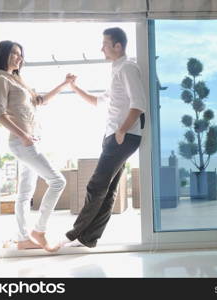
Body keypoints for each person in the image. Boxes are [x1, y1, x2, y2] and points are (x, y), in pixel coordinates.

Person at [62, 27, 146, 248]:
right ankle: (87, 238)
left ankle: (75, 235)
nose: (102, 48)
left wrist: (121, 131)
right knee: (107, 190)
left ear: (118, 46)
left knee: (96, 186)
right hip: (116, 136)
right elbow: (97, 101)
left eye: (105, 44)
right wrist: (74, 87)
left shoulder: (127, 68)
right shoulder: (118, 69)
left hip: (122, 136)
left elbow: (138, 104)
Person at [0, 40, 75, 252]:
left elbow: (41, 100)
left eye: (20, 54)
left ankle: (22, 239)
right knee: (58, 181)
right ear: (3, 55)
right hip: (22, 142)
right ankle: (39, 230)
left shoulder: (19, 80)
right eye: (13, 53)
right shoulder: (1, 79)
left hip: (28, 140)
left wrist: (64, 85)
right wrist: (23, 136)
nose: (18, 57)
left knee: (24, 193)